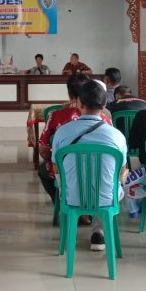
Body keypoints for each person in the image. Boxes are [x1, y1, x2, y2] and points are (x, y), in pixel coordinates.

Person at [51, 80, 128, 251]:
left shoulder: (62, 132)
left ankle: (72, 233)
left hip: (73, 197)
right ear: (105, 103)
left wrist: (65, 186)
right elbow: (121, 169)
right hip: (107, 198)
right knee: (114, 184)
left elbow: (56, 168)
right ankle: (99, 232)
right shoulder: (117, 136)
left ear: (79, 102)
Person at [37, 73, 92, 206]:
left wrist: (59, 156)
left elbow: (43, 150)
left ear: (69, 93)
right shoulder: (104, 116)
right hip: (98, 171)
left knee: (44, 170)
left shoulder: (56, 116)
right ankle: (92, 204)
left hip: (65, 170)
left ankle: (63, 202)